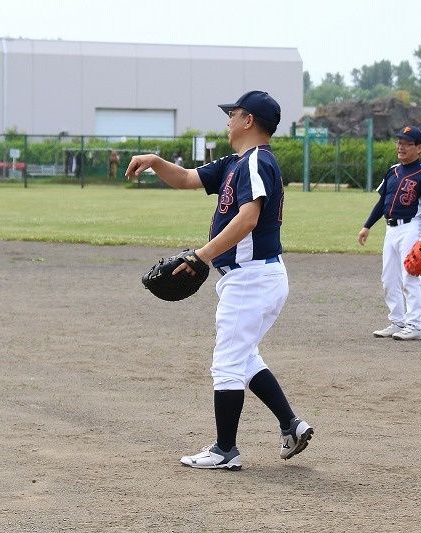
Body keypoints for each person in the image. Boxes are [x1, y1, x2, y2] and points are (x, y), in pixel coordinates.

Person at [125, 90, 313, 470]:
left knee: (227, 362)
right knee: (244, 357)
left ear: (249, 120)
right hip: (253, 277)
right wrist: (156, 161)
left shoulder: (257, 161)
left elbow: (248, 218)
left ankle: (225, 450)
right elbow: (185, 178)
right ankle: (291, 425)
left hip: (252, 278)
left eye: (233, 114)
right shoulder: (235, 163)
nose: (228, 120)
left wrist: (202, 255)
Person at [357, 126, 421, 341]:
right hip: (391, 229)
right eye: (399, 142)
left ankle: (414, 325)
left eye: (406, 144)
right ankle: (397, 321)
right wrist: (367, 226)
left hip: (412, 227)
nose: (400, 147)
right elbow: (382, 202)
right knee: (388, 278)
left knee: (410, 278)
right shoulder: (393, 171)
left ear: (419, 148)